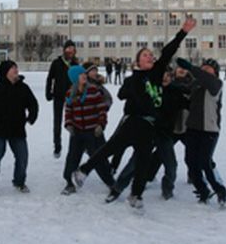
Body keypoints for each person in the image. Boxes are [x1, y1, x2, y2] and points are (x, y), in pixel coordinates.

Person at [72, 17, 197, 210]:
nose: (150, 57)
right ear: (138, 61)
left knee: (143, 161)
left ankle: (136, 195)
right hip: (133, 122)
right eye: (145, 55)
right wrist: (133, 95)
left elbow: (167, 52)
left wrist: (183, 32)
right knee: (110, 148)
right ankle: (83, 170)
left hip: (149, 126)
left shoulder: (155, 74)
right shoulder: (134, 79)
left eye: (150, 55)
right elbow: (131, 97)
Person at [107, 68, 183, 202]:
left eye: (168, 76)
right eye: (162, 75)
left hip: (164, 134)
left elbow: (189, 99)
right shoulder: (150, 90)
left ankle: (167, 190)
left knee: (171, 165)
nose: (165, 78)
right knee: (134, 163)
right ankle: (117, 189)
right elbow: (127, 96)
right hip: (148, 132)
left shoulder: (176, 91)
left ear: (172, 78)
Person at [179, 57, 226, 205]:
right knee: (190, 161)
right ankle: (203, 190)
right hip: (193, 128)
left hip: (209, 130)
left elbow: (205, 79)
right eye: (204, 67)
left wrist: (191, 67)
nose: (205, 70)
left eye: (209, 68)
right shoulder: (196, 84)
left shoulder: (216, 84)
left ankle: (220, 190)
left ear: (215, 72)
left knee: (205, 162)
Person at [0, 60, 39, 193]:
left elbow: (33, 104)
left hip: (17, 129)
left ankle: (19, 182)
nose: (16, 70)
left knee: (22, 157)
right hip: (0, 129)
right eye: (12, 68)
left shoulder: (23, 88)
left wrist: (32, 116)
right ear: (5, 72)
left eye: (16, 67)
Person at [61, 65, 115, 195]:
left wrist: (101, 125)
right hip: (77, 132)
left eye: (84, 73)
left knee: (99, 158)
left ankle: (111, 183)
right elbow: (68, 111)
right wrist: (69, 124)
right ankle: (69, 183)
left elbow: (102, 109)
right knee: (72, 158)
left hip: (93, 132)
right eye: (81, 75)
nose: (84, 75)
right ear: (75, 78)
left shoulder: (93, 90)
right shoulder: (70, 94)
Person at [46, 40, 79, 158]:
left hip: (72, 96)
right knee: (57, 121)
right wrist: (48, 93)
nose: (71, 51)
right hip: (59, 95)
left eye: (73, 49)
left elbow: (80, 80)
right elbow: (50, 78)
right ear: (64, 50)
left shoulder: (75, 64)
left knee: (75, 121)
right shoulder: (56, 63)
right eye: (68, 49)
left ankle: (77, 145)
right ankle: (57, 145)